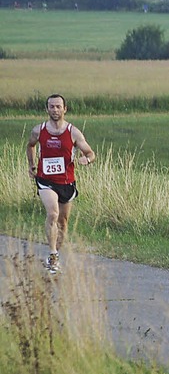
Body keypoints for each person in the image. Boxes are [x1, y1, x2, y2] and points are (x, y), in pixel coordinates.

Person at [26, 94, 96, 274]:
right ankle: (53, 254)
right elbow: (30, 145)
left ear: (65, 109)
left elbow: (90, 153)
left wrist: (86, 160)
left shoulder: (73, 132)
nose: (55, 110)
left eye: (58, 107)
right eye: (51, 106)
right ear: (46, 109)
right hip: (45, 180)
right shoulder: (38, 130)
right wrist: (32, 165)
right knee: (53, 213)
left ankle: (56, 252)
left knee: (63, 222)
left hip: (66, 182)